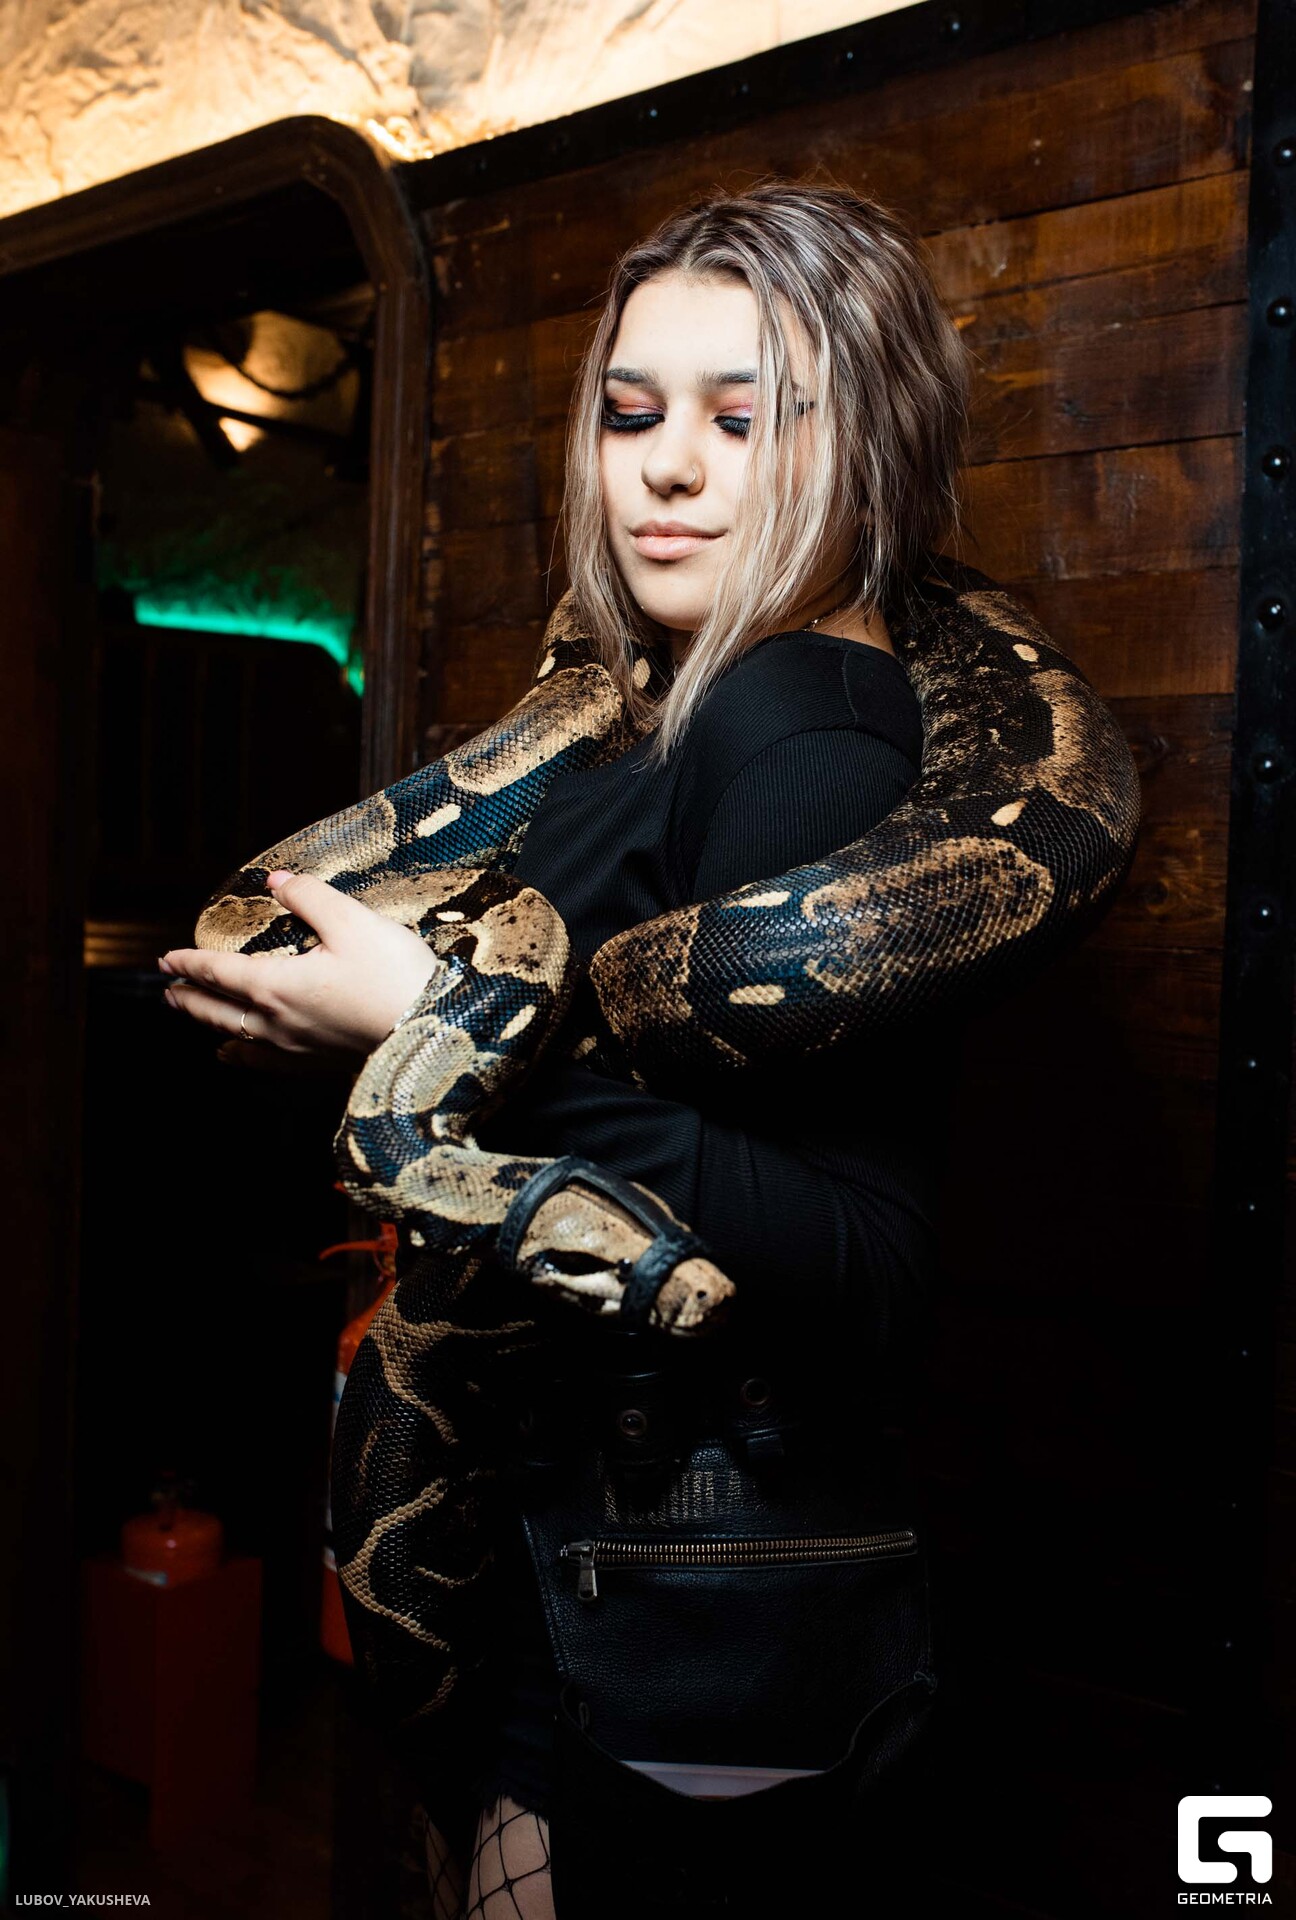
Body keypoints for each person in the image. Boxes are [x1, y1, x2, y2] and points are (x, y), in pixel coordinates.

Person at [160, 181, 977, 1916]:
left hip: (689, 1599)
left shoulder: (799, 725)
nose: (667, 467)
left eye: (742, 418)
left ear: (873, 448)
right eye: (631, 411)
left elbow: (865, 1265)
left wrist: (427, 1027)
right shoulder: (662, 704)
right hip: (579, 1565)